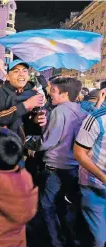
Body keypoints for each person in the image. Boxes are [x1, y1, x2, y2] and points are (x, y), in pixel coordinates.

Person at [37, 77, 86, 247]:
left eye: (53, 91)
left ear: (64, 94)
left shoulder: (59, 111)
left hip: (56, 166)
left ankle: (56, 240)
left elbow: (49, 141)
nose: (50, 94)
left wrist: (31, 142)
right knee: (68, 205)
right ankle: (71, 237)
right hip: (75, 166)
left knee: (47, 204)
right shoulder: (82, 112)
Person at [0, 59, 46, 142]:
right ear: (7, 77)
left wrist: (36, 120)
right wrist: (25, 105)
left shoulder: (33, 93)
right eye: (16, 71)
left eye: (24, 71)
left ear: (28, 76)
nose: (21, 74)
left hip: (21, 144)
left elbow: (28, 123)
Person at [74, 107, 106, 247]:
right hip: (95, 187)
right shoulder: (97, 118)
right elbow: (79, 153)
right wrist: (103, 177)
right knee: (99, 240)